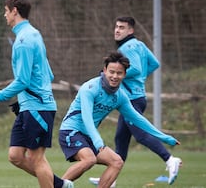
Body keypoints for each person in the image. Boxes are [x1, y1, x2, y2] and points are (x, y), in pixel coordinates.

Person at [0, 0, 73, 188]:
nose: (4, 15)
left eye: (6, 11)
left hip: (38, 108)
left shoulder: (23, 41)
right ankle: (61, 184)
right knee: (15, 156)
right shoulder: (33, 34)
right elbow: (49, 73)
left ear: (14, 11)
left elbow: (22, 80)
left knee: (37, 159)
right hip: (30, 105)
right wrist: (25, 99)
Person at [58, 52, 180, 188]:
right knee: (89, 159)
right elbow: (86, 117)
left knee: (117, 161)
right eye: (111, 72)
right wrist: (97, 140)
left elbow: (138, 119)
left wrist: (163, 137)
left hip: (88, 136)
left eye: (119, 73)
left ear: (125, 75)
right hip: (71, 131)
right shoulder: (90, 88)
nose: (115, 76)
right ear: (104, 70)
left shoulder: (120, 96)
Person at [113, 16, 181, 184]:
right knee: (120, 138)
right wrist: (140, 79)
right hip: (136, 97)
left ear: (131, 31)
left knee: (141, 135)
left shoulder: (126, 47)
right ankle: (111, 179)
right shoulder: (139, 44)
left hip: (132, 100)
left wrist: (111, 75)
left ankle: (170, 159)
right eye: (116, 27)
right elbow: (154, 63)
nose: (117, 30)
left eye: (122, 27)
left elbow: (135, 68)